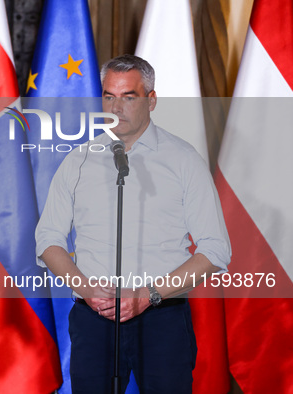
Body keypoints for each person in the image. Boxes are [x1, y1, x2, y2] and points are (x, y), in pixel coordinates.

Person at [35, 55, 231, 393]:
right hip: (93, 321)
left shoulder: (184, 161)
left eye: (129, 96)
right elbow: (48, 240)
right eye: (109, 96)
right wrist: (84, 287)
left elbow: (215, 250)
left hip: (161, 320)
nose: (117, 106)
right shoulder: (78, 161)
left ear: (151, 100)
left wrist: (147, 295)